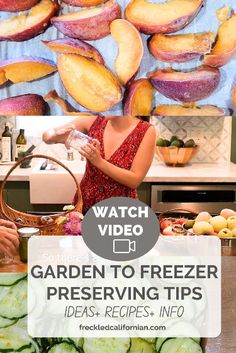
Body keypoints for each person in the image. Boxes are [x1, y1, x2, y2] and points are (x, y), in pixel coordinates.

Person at [43, 115, 156, 213]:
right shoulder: (93, 119)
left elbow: (134, 180)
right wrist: (54, 136)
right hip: (86, 203)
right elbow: (47, 135)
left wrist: (99, 161)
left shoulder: (146, 130)